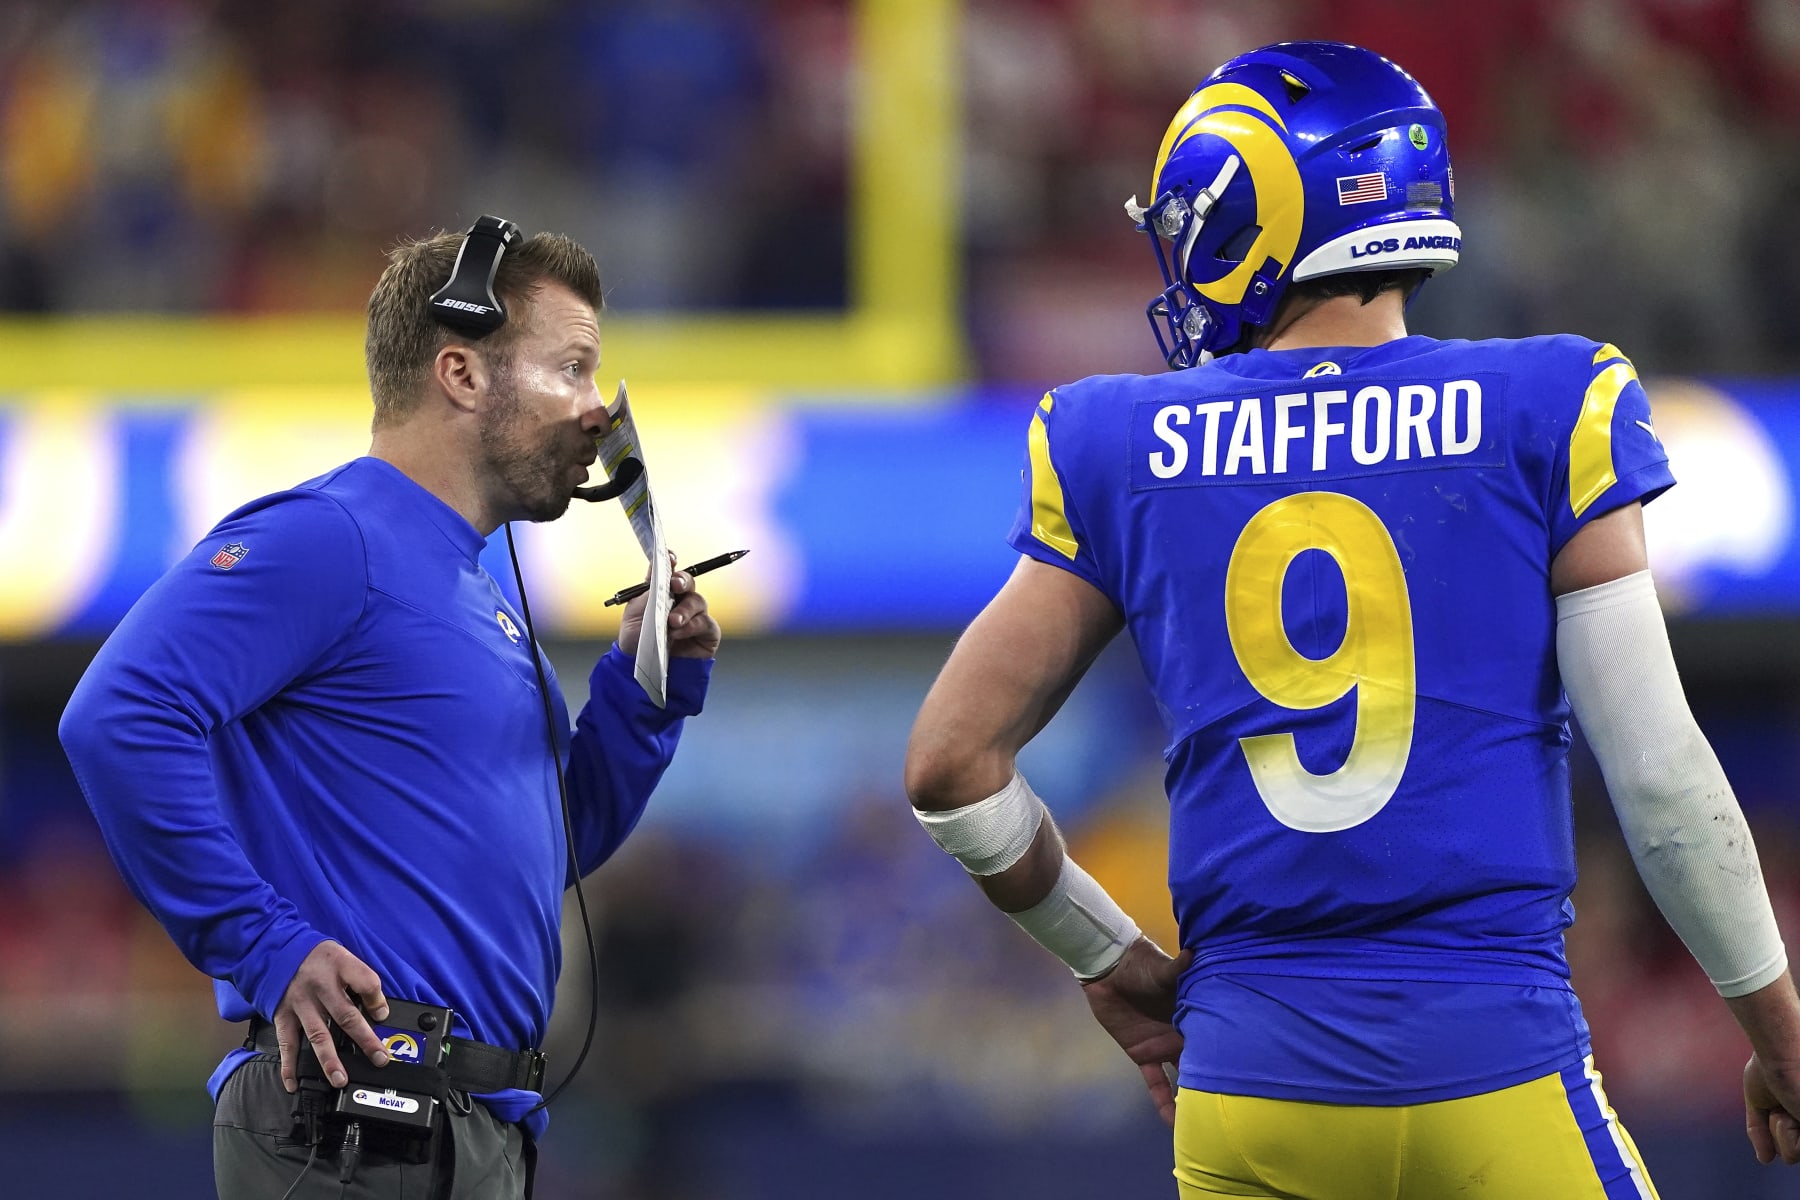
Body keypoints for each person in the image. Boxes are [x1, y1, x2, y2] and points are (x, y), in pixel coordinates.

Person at [905, 40, 1800, 1198]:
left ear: (1250, 219)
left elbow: (950, 766)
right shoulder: (1547, 400)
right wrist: (1778, 1029)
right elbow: (1662, 777)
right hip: (1497, 1067)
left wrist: (1108, 958)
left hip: (1249, 1087)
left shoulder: (1116, 440)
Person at [59, 219, 721, 1198]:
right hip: (351, 1123)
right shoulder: (332, 537)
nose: (597, 411)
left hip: (471, 1131)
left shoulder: (483, 598)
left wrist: (642, 696)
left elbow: (553, 850)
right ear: (460, 373)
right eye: (572, 369)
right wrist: (264, 942)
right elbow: (117, 713)